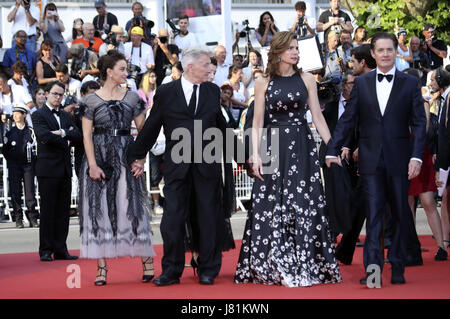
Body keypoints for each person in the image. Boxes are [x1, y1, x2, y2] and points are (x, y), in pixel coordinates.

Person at [234, 31, 342, 287]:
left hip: (301, 146)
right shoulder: (263, 81)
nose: (295, 52)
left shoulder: (306, 79)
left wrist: (331, 147)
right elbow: (258, 121)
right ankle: (270, 263)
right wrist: (254, 154)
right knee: (270, 205)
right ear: (278, 52)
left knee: (303, 202)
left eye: (296, 48)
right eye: (290, 48)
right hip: (272, 145)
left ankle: (305, 262)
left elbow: (317, 116)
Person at [326, 32, 427, 286]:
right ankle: (373, 271)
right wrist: (332, 148)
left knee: (401, 215)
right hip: (370, 161)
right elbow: (348, 120)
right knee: (374, 215)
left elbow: (419, 122)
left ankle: (398, 265)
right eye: (380, 50)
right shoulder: (362, 84)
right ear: (372, 54)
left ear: (396, 52)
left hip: (400, 160)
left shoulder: (410, 83)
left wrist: (417, 157)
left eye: (389, 50)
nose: (384, 54)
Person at [128, 45, 229, 286]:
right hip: (177, 165)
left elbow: (221, 128)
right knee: (172, 219)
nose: (210, 69)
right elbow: (153, 125)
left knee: (208, 217)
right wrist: (137, 155)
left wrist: (245, 156)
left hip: (207, 164)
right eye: (206, 64)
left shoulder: (212, 91)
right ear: (190, 66)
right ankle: (171, 270)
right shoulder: (166, 92)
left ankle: (208, 269)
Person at [78, 50, 155, 285]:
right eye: (122, 69)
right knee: (97, 209)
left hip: (126, 155)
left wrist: (140, 159)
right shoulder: (89, 101)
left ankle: (147, 261)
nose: (126, 73)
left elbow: (144, 131)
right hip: (98, 158)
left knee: (133, 205)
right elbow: (86, 136)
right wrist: (91, 164)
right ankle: (101, 268)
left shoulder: (133, 98)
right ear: (109, 72)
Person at [31, 80, 82, 262]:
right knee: (47, 211)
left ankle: (61, 249)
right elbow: (43, 136)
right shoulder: (39, 115)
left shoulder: (66, 115)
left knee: (63, 212)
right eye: (55, 94)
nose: (58, 98)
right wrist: (65, 136)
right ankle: (45, 249)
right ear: (46, 93)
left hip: (65, 169)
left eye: (61, 94)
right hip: (47, 169)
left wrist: (60, 133)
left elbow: (77, 135)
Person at [406, 68, 447, 261]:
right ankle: (412, 246)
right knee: (408, 203)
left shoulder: (422, 103)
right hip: (403, 156)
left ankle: (441, 246)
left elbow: (425, 128)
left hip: (419, 155)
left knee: (428, 202)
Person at [2, 106, 39, 228]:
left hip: (28, 165)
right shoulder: (10, 132)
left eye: (18, 114)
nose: (15, 116)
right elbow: (5, 150)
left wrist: (32, 161)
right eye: (14, 114)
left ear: (24, 115)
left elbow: (35, 149)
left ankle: (32, 217)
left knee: (30, 192)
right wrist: (12, 161)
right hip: (14, 166)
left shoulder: (30, 131)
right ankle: (18, 218)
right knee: (15, 191)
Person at [432, 67, 450, 251]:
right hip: (445, 157)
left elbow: (446, 134)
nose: (430, 84)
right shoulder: (443, 99)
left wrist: (441, 165)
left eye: (432, 80)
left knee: (445, 199)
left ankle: (445, 241)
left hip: (447, 159)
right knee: (446, 198)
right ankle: (445, 240)